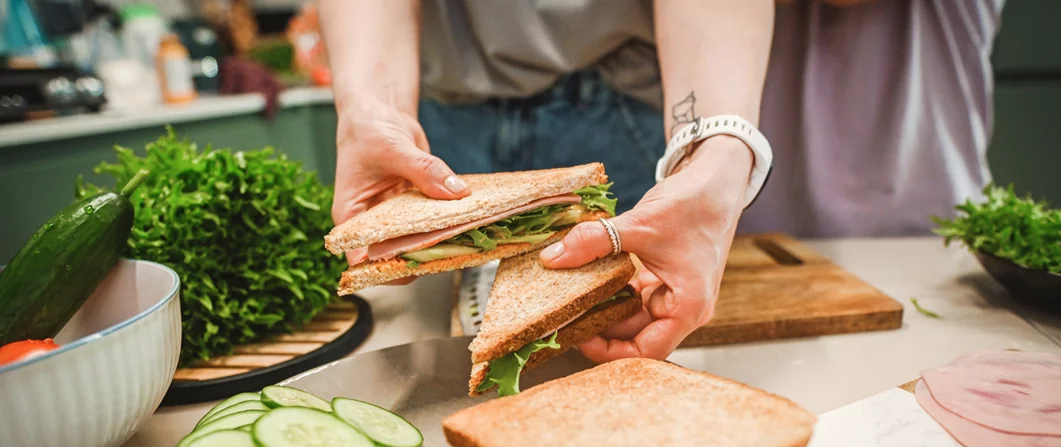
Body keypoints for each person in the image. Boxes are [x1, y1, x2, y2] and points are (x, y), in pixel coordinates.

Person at [317, 0, 1004, 362]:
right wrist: (370, 111)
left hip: (625, 100)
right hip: (439, 111)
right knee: (432, 363)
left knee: (611, 362)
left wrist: (714, 149)